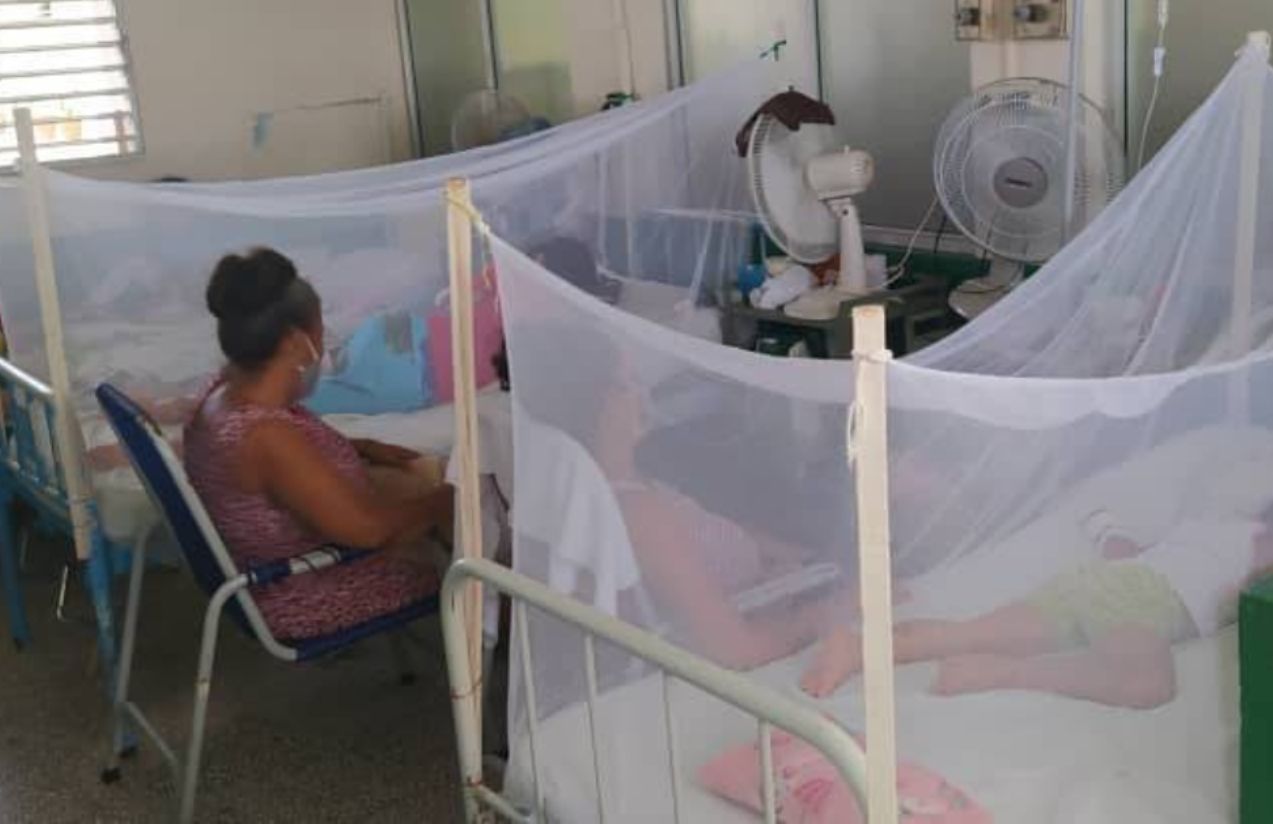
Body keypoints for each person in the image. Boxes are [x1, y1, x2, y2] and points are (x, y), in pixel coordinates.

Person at [182, 247, 452, 640]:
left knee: (427, 491)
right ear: (294, 342)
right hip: (307, 591)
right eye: (321, 332)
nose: (324, 346)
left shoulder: (224, 393)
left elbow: (279, 470)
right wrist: (445, 500)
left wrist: (358, 446)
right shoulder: (267, 438)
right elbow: (370, 531)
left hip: (272, 566)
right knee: (482, 545)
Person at [800, 506, 1273, 708]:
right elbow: (1252, 592)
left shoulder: (1207, 526)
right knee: (1148, 684)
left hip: (1094, 583)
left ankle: (860, 646)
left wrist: (1106, 528)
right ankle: (998, 674)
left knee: (964, 632)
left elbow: (1129, 553)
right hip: (1142, 598)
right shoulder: (1256, 539)